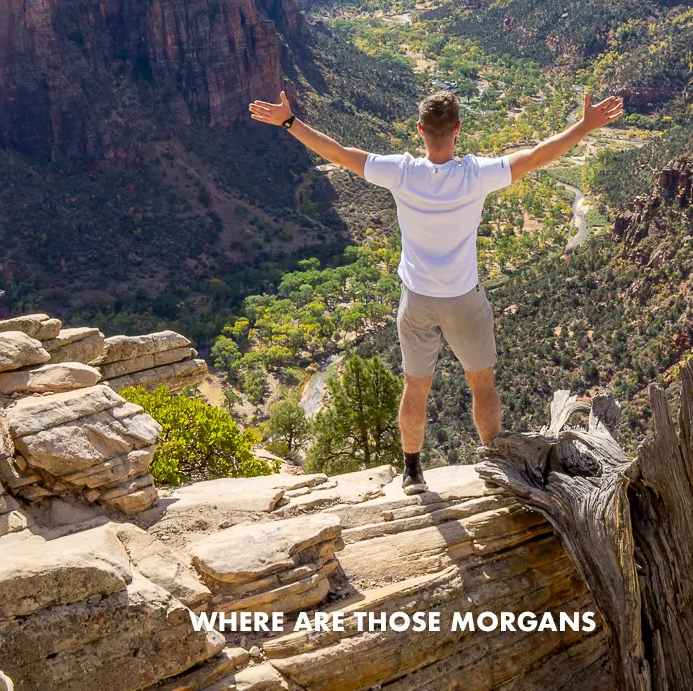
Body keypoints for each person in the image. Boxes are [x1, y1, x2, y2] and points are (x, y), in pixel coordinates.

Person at [249, 86, 624, 494]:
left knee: (416, 386)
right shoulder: (476, 174)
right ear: (457, 130)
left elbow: (338, 152)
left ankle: (412, 472)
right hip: (464, 298)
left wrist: (289, 121)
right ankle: (497, 466)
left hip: (417, 301)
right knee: (482, 383)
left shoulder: (402, 173)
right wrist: (585, 126)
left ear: (420, 131)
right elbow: (536, 156)